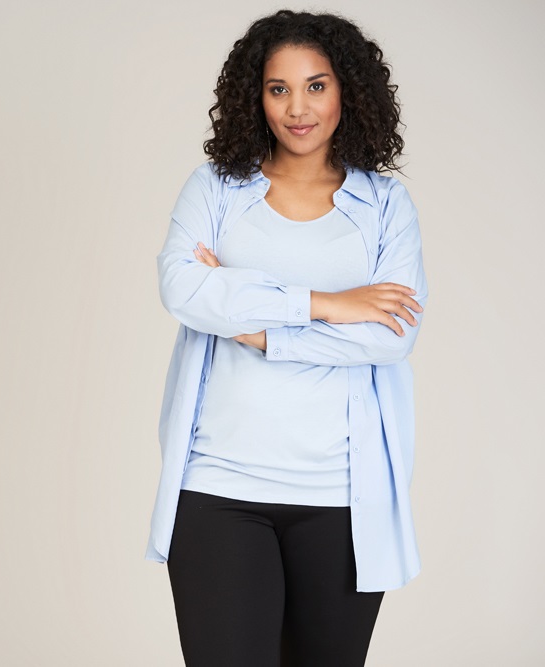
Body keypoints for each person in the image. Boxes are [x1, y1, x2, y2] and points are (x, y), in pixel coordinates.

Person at [146, 10, 428, 666]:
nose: (297, 108)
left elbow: (391, 338)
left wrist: (258, 332)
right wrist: (326, 303)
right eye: (279, 89)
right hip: (219, 486)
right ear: (257, 97)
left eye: (315, 86)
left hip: (342, 496)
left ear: (347, 91)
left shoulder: (387, 206)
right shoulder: (215, 188)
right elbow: (182, 289)